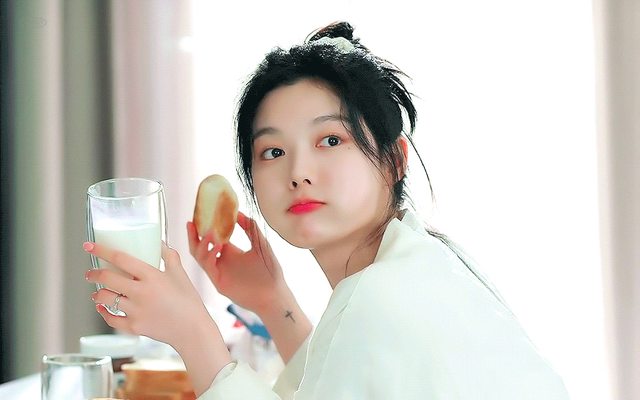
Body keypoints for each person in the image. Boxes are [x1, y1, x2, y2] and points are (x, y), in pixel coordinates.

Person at [84, 22, 570, 399]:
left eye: (330, 140)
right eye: (273, 151)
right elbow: (339, 381)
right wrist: (273, 303)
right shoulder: (419, 264)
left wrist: (191, 331)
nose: (299, 172)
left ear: (394, 160)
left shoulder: (385, 296)